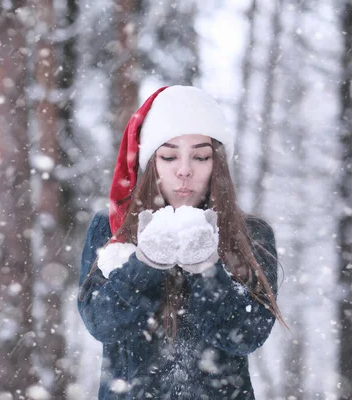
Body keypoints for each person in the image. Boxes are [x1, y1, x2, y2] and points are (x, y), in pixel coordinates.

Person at [77, 85, 283, 399]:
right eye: (170, 155)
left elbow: (244, 336)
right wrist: (144, 266)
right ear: (151, 162)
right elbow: (102, 324)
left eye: (200, 156)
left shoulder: (251, 234)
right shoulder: (111, 228)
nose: (184, 170)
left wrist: (206, 270)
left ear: (217, 164)